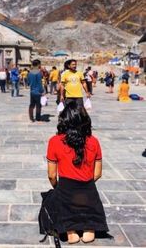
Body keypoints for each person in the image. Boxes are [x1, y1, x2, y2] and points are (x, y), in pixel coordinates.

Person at [45, 102, 109, 243]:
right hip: (88, 192)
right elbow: (97, 173)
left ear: (64, 120)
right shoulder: (94, 141)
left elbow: (51, 175)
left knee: (55, 201)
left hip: (66, 190)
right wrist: (84, 184)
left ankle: (71, 231)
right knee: (88, 235)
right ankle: (88, 228)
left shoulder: (54, 141)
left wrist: (58, 188)